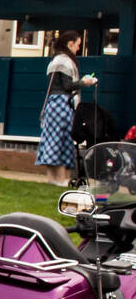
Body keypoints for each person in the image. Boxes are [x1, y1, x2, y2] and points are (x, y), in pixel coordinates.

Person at [36, 30, 97, 187]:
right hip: (62, 105)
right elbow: (67, 86)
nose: (78, 48)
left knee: (52, 141)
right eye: (77, 45)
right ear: (70, 44)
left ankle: (52, 179)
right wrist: (85, 82)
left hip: (53, 105)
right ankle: (61, 179)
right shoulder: (65, 62)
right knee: (63, 141)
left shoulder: (56, 61)